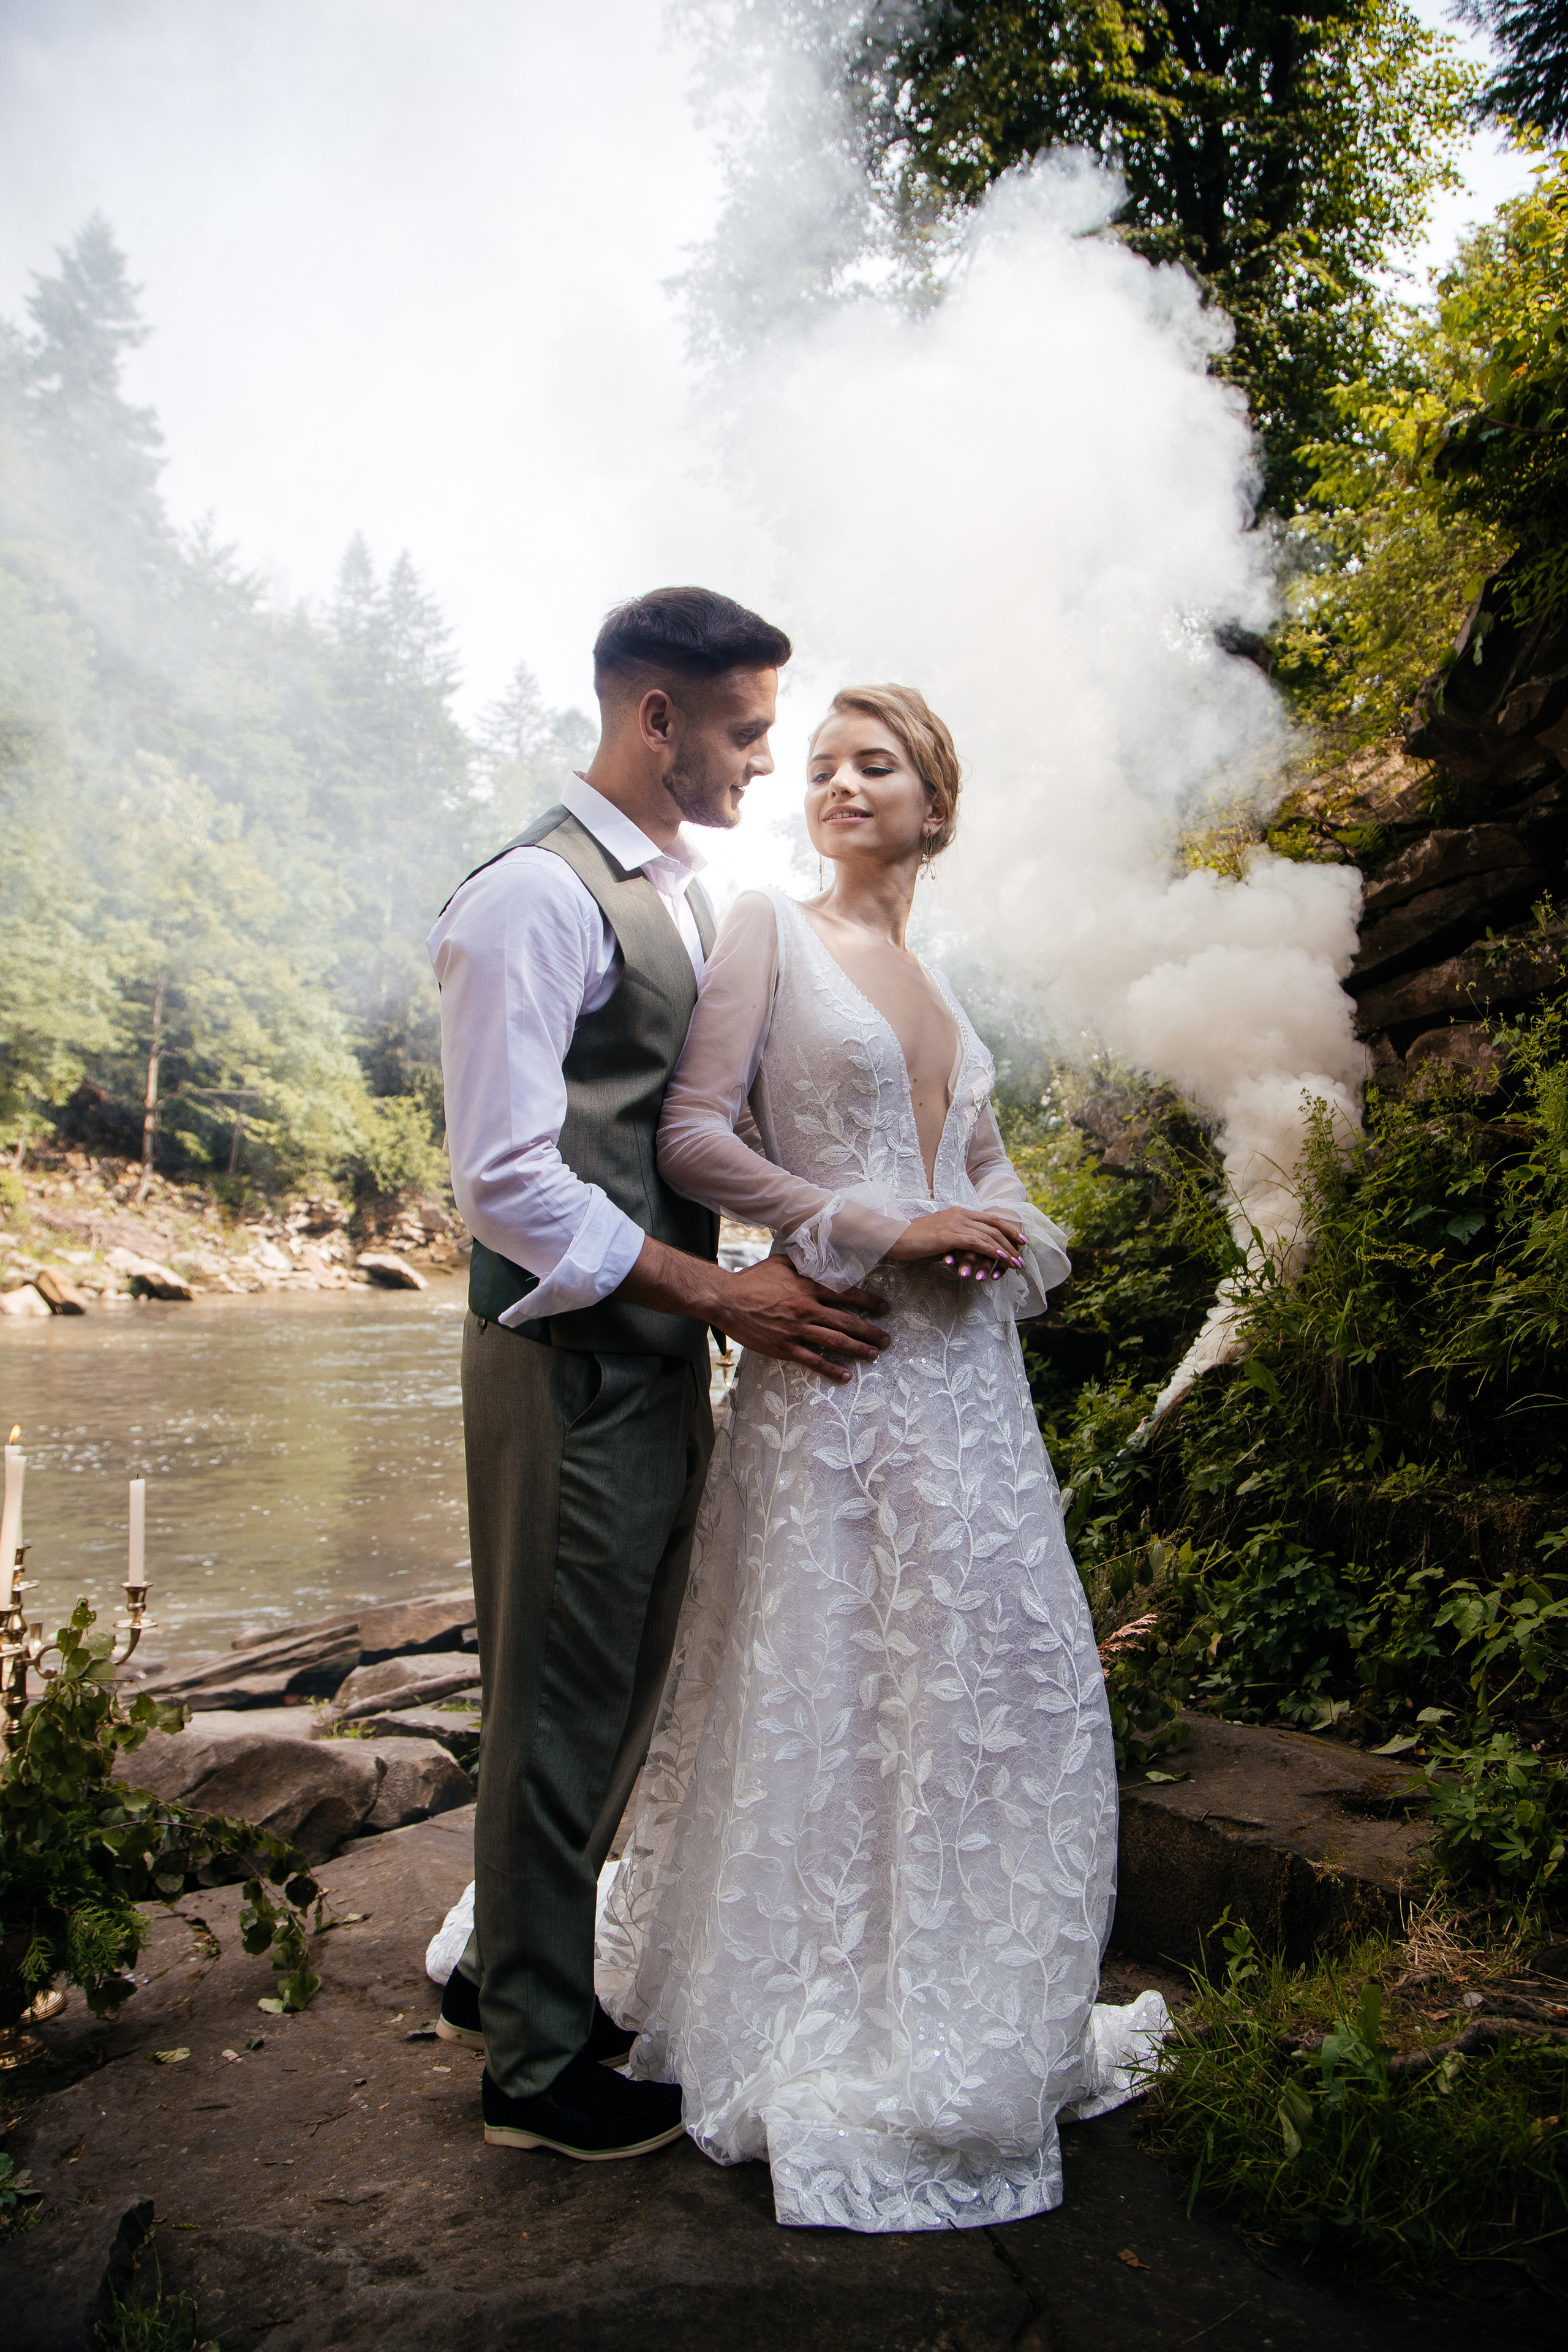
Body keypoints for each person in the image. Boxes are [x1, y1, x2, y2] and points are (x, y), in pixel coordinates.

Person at [598, 684, 1162, 2231]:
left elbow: (984, 1171)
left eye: (878, 764)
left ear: (936, 805)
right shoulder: (768, 935)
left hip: (966, 1391)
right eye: (826, 763)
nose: (839, 783)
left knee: (992, 1686)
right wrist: (872, 1223)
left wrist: (1007, 1227)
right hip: (839, 1371)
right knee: (831, 1680)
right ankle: (807, 1999)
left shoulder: (937, 985)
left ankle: (979, 2006)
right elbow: (696, 1138)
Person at [425, 590, 892, 2163]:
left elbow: (674, 1124)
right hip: (564, 1363)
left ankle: (508, 1973)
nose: (766, 764)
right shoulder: (531, 901)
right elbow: (504, 1183)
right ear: (655, 720)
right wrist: (719, 1295)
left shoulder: (681, 892)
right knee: (555, 1706)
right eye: (749, 731)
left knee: (613, 1687)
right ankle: (532, 2075)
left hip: (640, 1356)